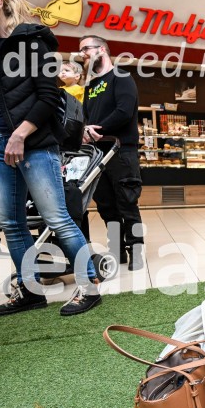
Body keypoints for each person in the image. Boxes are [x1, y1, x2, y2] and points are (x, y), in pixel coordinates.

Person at [0, 0, 101, 316]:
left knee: (57, 218)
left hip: (35, 144)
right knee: (11, 222)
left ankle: (90, 286)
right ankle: (30, 291)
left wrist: (20, 135)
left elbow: (48, 98)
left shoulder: (33, 42)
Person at [78, 34, 145, 270]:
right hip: (97, 155)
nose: (82, 54)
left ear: (102, 50)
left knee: (128, 204)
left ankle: (136, 250)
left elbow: (124, 111)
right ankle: (117, 250)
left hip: (121, 151)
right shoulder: (91, 86)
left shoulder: (121, 77)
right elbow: (86, 116)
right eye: (81, 50)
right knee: (106, 206)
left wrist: (98, 129)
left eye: (86, 49)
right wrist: (85, 130)